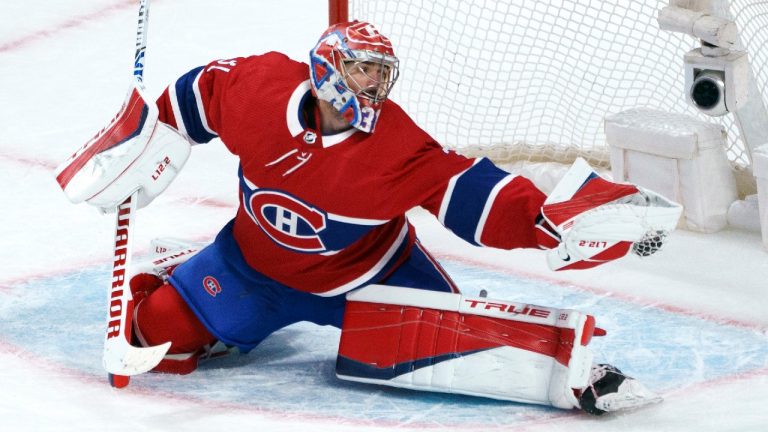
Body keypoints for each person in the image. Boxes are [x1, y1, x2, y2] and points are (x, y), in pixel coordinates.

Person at [57, 21, 680, 415]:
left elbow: (475, 196)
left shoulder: (396, 146)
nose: (375, 85)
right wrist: (147, 141)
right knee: (155, 335)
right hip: (251, 268)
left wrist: (553, 222)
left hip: (373, 281)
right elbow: (198, 95)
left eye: (382, 74)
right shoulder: (261, 89)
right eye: (362, 69)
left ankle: (579, 375)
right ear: (326, 68)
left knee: (460, 351)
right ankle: (189, 279)